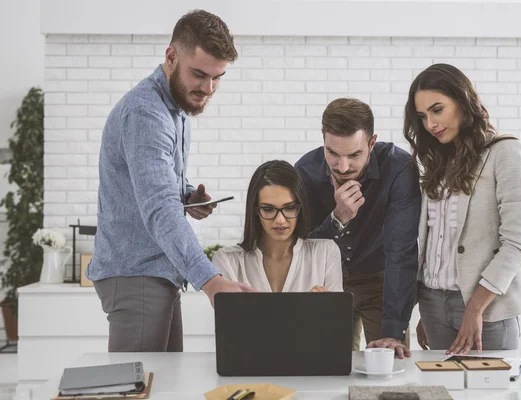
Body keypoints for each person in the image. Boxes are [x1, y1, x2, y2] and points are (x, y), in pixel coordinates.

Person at [86, 10, 254, 353]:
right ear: (171, 56)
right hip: (136, 273)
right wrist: (210, 280)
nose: (208, 88)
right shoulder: (146, 113)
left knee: (163, 385)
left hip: (154, 271)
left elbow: (155, 182)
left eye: (218, 77)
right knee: (133, 387)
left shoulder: (174, 109)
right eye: (199, 74)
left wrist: (189, 195)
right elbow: (160, 208)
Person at [404, 63, 521, 354]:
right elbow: (434, 241)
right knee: (441, 395)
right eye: (423, 116)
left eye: (437, 110)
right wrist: (430, 308)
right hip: (433, 305)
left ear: (463, 101)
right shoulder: (437, 161)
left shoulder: (506, 151)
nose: (430, 124)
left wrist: (474, 309)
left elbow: (516, 243)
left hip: (487, 308)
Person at [295, 98, 421, 358]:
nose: (343, 167)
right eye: (333, 153)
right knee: (328, 367)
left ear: (371, 143)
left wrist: (393, 330)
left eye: (354, 155)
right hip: (329, 285)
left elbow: (401, 252)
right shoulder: (304, 172)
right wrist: (337, 219)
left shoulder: (398, 168)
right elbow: (301, 249)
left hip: (383, 283)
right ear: (323, 139)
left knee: (391, 364)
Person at [213, 160, 343, 293]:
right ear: (255, 210)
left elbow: (337, 313)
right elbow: (229, 314)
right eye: (268, 209)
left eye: (290, 208)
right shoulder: (227, 260)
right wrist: (305, 308)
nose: (280, 220)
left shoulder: (326, 253)